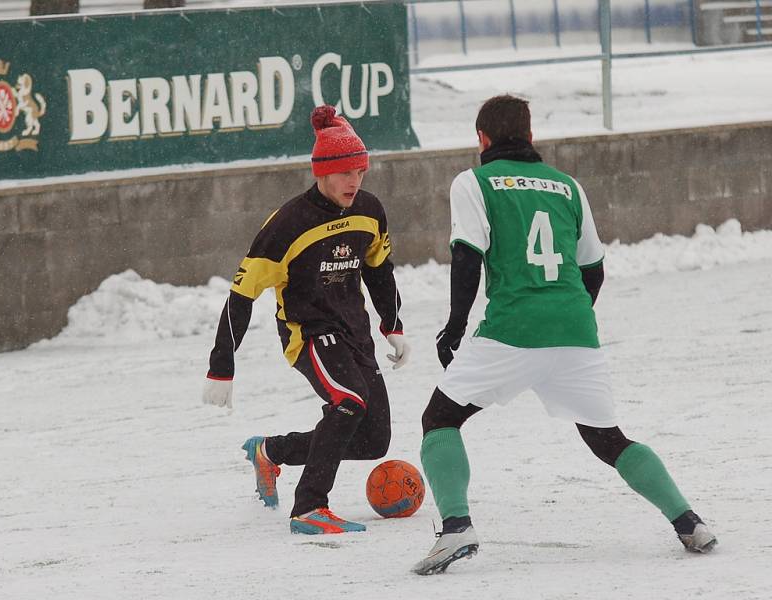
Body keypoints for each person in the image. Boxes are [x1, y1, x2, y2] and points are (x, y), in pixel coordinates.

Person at [412, 95, 717, 575]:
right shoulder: (567, 186)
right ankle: (689, 521)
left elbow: (467, 256)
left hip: (512, 328)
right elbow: (593, 270)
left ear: (482, 139)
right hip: (576, 329)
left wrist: (454, 327)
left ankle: (455, 529)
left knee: (440, 418)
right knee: (608, 439)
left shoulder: (473, 182)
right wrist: (566, 320)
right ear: (531, 137)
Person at [202, 105, 410, 535]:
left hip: (355, 333)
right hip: (310, 334)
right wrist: (222, 364)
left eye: (361, 172)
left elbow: (379, 268)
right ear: (322, 173)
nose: (354, 182)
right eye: (345, 173)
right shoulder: (287, 224)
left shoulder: (369, 210)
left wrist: (392, 325)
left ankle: (270, 452)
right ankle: (310, 507)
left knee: (373, 439)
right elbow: (241, 294)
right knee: (348, 401)